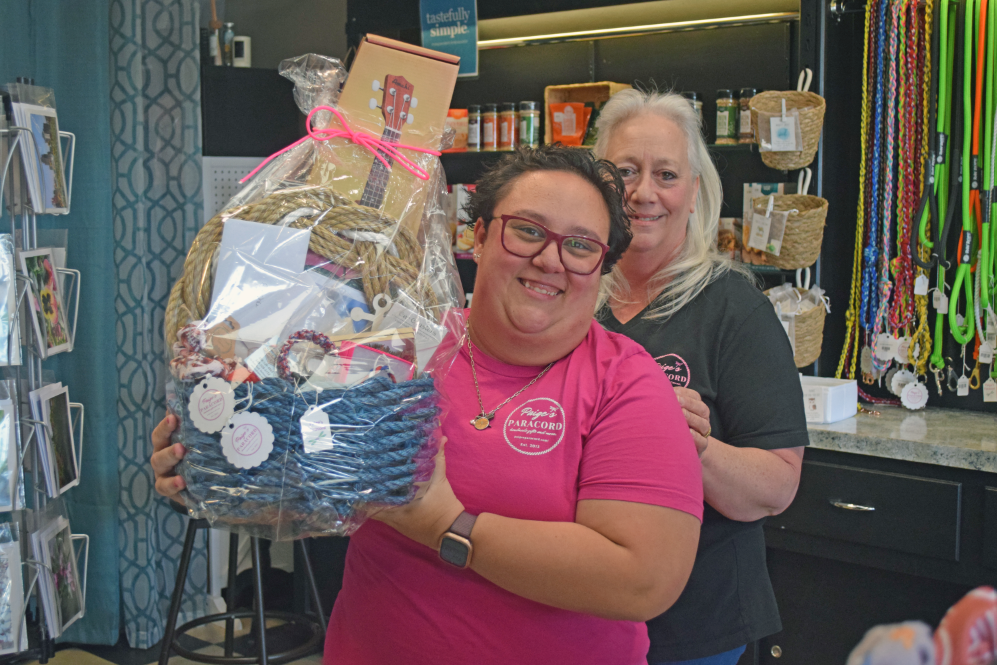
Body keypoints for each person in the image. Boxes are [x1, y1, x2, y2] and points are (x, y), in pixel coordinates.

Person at [151, 145, 704, 665]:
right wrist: (210, 465)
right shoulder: (392, 345)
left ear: (601, 267)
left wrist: (447, 526)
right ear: (480, 236)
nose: (549, 259)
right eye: (528, 230)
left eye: (580, 246)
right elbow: (304, 484)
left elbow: (643, 580)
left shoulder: (626, 382)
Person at [592, 89, 809, 665]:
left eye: (666, 174)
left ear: (694, 192)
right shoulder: (570, 294)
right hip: (578, 606)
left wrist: (695, 445)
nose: (643, 192)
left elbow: (776, 487)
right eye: (625, 172)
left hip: (693, 625)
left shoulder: (734, 308)